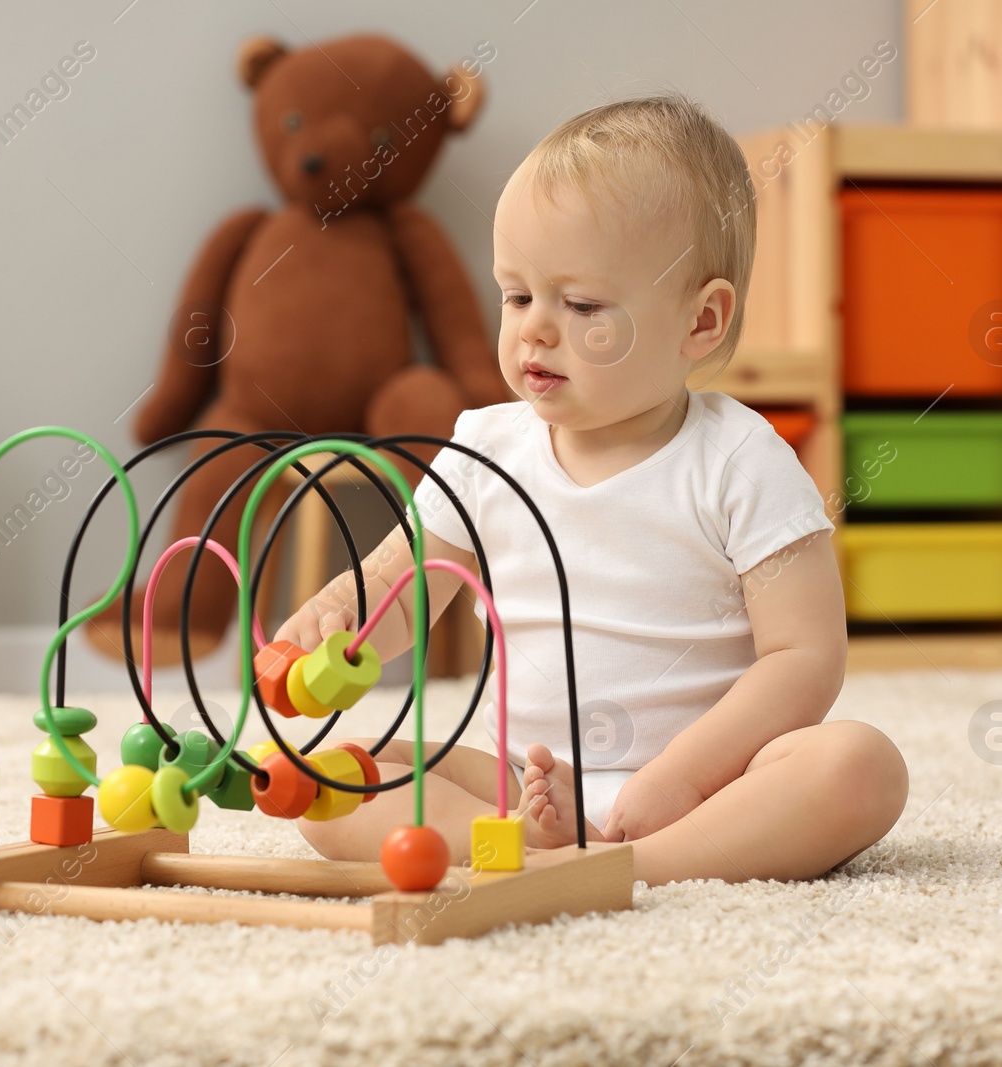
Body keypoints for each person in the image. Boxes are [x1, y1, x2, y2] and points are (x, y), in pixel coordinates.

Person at [272, 93, 907, 886]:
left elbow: (804, 657)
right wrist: (340, 617)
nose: (534, 328)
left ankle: (639, 861)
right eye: (516, 295)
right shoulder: (486, 448)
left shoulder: (739, 458)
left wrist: (677, 779)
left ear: (701, 324)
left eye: (579, 305)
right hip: (512, 777)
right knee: (333, 777)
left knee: (859, 764)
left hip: (707, 787)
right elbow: (403, 593)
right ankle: (517, 845)